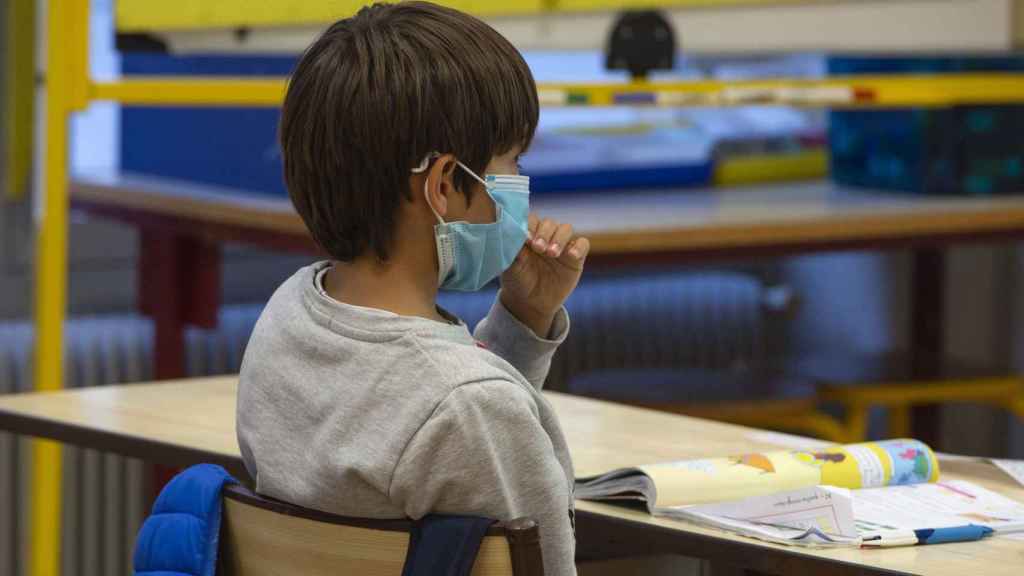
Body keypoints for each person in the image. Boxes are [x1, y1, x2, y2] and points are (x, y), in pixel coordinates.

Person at [236, 3, 589, 574]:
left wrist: (524, 317)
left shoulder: (287, 318)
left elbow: (431, 415)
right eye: (511, 161)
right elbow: (458, 415)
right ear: (446, 185)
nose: (520, 183)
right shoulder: (469, 405)